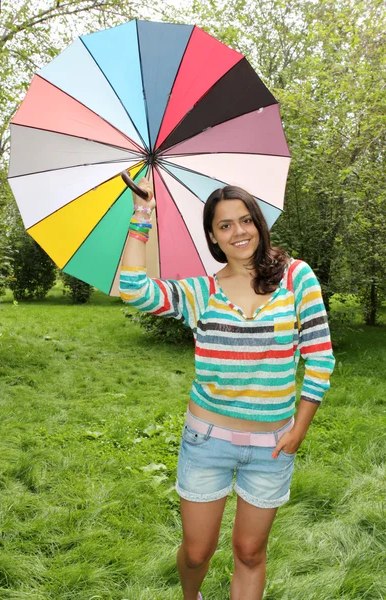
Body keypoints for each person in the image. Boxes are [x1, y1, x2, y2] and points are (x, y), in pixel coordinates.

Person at [119, 178, 335, 600]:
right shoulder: (202, 292)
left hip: (273, 445)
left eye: (245, 220)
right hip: (207, 441)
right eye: (224, 226)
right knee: (197, 554)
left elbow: (320, 356)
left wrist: (298, 431)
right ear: (213, 237)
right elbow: (134, 289)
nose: (239, 232)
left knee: (250, 552)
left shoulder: (296, 277)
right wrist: (141, 215)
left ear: (259, 222)